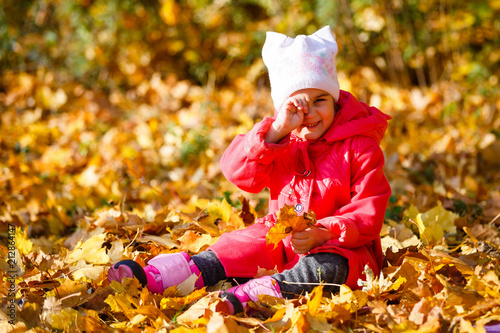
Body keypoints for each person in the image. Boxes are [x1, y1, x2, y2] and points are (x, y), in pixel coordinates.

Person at [108, 26, 391, 314]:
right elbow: (236, 173)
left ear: (335, 99)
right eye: (299, 105)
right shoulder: (281, 139)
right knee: (238, 245)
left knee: (329, 268)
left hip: (341, 245)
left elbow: (369, 211)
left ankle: (259, 294)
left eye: (320, 100)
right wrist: (276, 131)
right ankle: (161, 277)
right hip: (279, 239)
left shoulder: (359, 146)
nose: (310, 114)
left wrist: (324, 232)